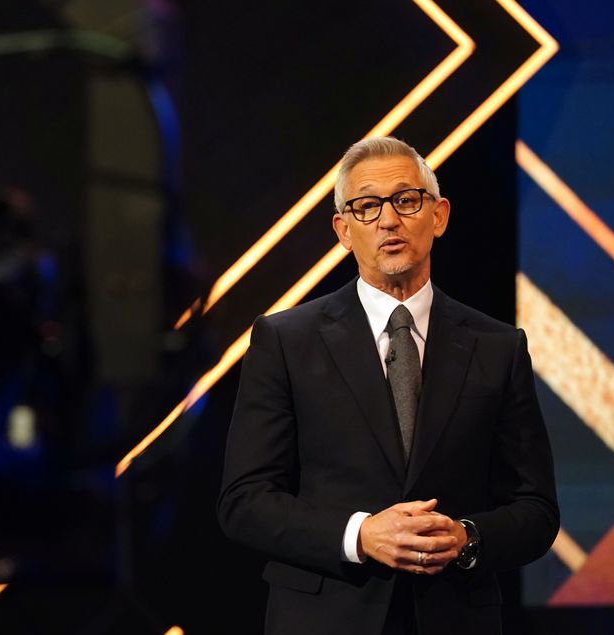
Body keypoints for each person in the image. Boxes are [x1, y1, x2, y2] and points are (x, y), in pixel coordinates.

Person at [217, 136, 559, 635]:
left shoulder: (498, 346)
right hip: (325, 618)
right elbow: (244, 501)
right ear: (343, 230)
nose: (388, 220)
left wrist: (467, 537)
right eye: (366, 206)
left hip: (454, 617)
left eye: (405, 200)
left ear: (438, 216)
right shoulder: (285, 340)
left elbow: (536, 508)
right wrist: (359, 535)